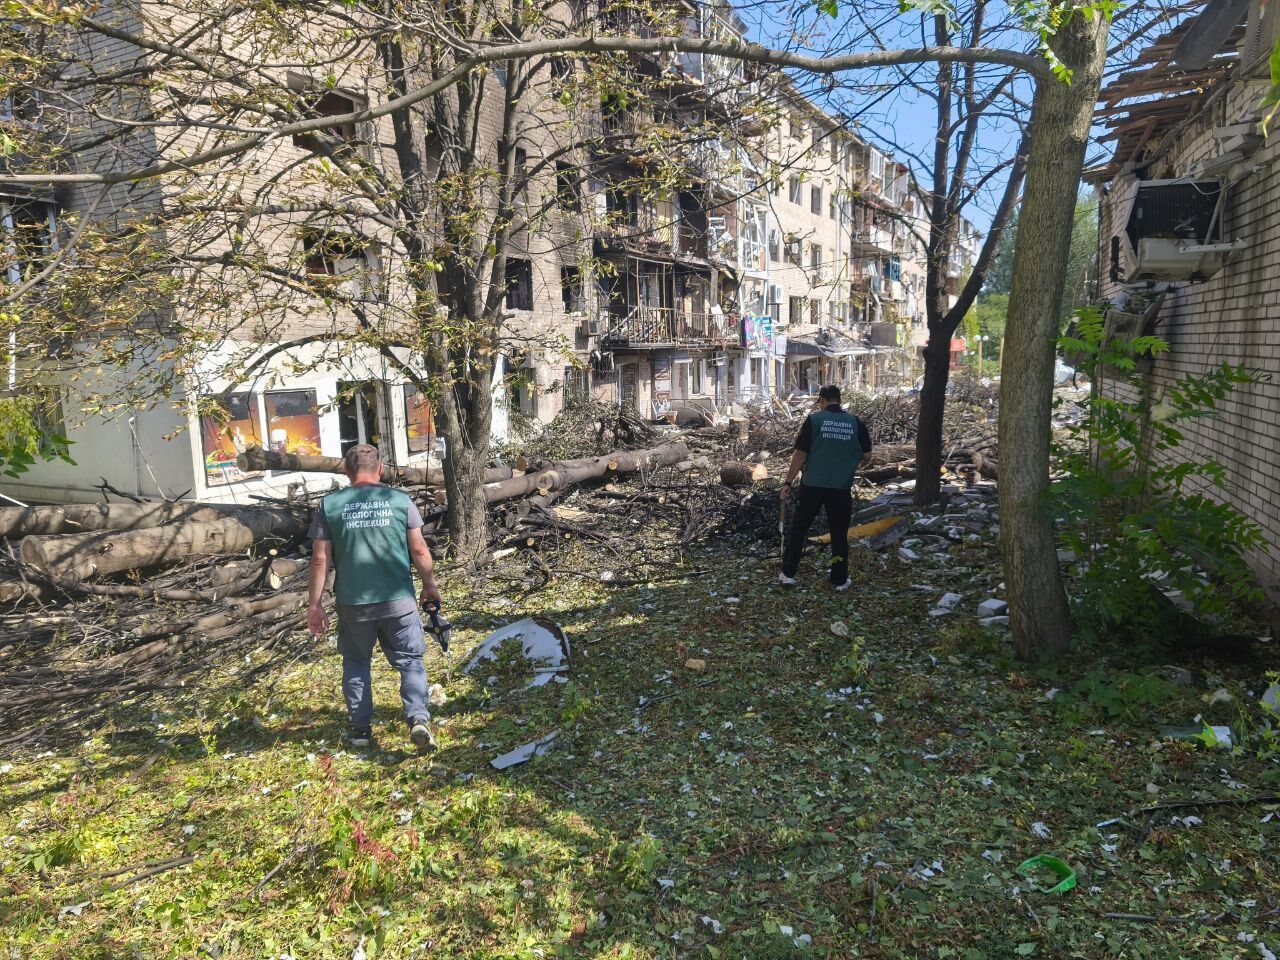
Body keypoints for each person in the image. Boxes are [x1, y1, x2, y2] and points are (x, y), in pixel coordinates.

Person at [306, 444, 442, 749]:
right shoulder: (399, 500)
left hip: (354, 605)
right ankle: (418, 719)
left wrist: (315, 605)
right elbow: (419, 549)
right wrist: (429, 584)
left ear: (346, 470)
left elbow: (319, 560)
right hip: (398, 600)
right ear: (379, 468)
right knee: (409, 660)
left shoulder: (330, 505)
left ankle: (360, 731)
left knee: (356, 662)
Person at [779, 385, 872, 590]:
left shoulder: (814, 420)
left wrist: (788, 482)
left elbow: (800, 454)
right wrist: (846, 464)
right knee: (839, 533)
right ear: (839, 400)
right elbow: (866, 456)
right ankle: (839, 580)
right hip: (840, 487)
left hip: (812, 485)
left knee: (800, 528)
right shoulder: (855, 422)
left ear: (821, 400)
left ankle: (788, 573)